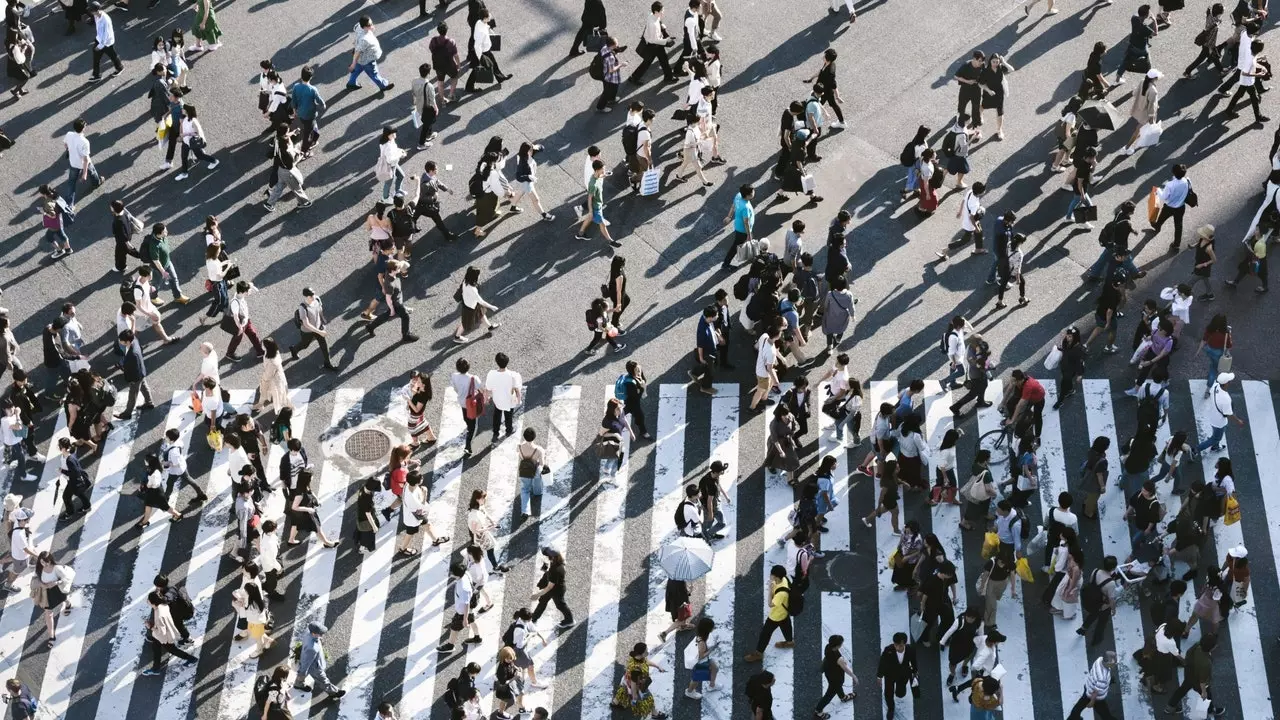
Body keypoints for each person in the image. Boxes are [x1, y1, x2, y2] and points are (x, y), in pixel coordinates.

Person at [1165, 635, 1225, 716]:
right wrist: (1203, 692)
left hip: (1189, 674)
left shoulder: (1197, 645)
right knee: (1207, 696)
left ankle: (1170, 706)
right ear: (1211, 648)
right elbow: (1202, 680)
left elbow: (1188, 654)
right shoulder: (1206, 663)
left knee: (1182, 689)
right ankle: (1210, 710)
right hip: (1197, 681)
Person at [743, 565, 792, 663]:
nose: (770, 576)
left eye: (772, 575)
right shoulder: (784, 580)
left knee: (765, 633)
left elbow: (770, 604)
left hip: (776, 616)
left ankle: (759, 653)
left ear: (777, 577)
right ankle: (789, 642)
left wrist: (770, 590)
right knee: (786, 626)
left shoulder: (781, 594)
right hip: (784, 612)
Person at [141, 591, 197, 675]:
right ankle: (155, 668)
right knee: (156, 647)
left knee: (172, 650)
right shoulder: (163, 605)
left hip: (165, 637)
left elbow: (162, 633)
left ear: (153, 602)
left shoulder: (159, 615)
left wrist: (150, 627)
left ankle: (192, 659)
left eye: (148, 599)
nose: (147, 601)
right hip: (168, 631)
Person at [628, 1, 676, 85]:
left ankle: (634, 77)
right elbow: (655, 40)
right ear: (656, 12)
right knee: (651, 61)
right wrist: (666, 40)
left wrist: (661, 25)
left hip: (654, 44)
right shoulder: (653, 25)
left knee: (660, 60)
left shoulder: (652, 15)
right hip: (654, 45)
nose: (663, 12)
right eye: (662, 10)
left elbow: (658, 22)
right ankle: (668, 77)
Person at [295, 622, 346, 698]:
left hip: (311, 662)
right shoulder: (312, 649)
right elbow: (307, 662)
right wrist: (302, 672)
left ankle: (298, 684)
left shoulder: (308, 636)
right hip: (315, 667)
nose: (322, 635)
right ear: (313, 633)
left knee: (304, 674)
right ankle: (334, 692)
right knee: (323, 680)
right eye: (320, 633)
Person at [1077, 555, 1119, 646]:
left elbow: (1092, 583)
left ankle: (1083, 628)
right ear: (1113, 568)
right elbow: (1111, 599)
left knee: (1093, 614)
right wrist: (1113, 609)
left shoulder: (1096, 571)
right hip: (1101, 604)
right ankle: (1096, 640)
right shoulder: (1111, 584)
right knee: (1101, 623)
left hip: (1091, 600)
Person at [577, 160, 620, 247]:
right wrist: (591, 211)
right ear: (596, 170)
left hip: (598, 204)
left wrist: (606, 174)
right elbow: (589, 198)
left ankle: (580, 234)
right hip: (596, 207)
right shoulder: (593, 184)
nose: (604, 170)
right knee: (602, 224)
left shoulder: (598, 176)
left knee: (589, 218)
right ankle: (610, 241)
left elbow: (600, 177)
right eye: (602, 169)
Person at [876, 632, 918, 720]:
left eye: (900, 645)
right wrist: (879, 676)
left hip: (903, 675)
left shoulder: (910, 650)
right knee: (888, 693)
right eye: (896, 645)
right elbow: (882, 663)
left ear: (905, 644)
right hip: (890, 675)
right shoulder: (888, 650)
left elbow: (913, 661)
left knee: (900, 693)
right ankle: (891, 709)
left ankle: (899, 692)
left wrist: (915, 671)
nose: (898, 647)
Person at [814, 634, 857, 718]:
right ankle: (818, 711)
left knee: (837, 687)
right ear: (837, 646)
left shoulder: (828, 647)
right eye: (841, 643)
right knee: (829, 695)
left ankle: (843, 697)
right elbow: (845, 669)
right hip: (836, 677)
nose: (841, 645)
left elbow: (826, 659)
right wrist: (854, 677)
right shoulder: (838, 658)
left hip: (829, 673)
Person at [530, 547, 574, 629]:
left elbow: (550, 587)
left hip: (556, 591)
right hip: (554, 587)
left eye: (547, 555)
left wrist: (537, 595)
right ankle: (534, 618)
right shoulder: (558, 562)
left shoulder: (555, 570)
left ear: (552, 557)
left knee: (560, 605)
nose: (546, 557)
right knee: (543, 601)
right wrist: (546, 570)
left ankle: (570, 620)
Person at [1120, 69, 1162, 155]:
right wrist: (1151, 119)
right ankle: (1126, 148)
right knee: (1138, 130)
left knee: (1140, 129)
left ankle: (1130, 145)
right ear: (1155, 78)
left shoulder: (1142, 81)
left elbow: (1135, 93)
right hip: (1146, 114)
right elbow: (1151, 106)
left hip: (1139, 110)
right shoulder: (1153, 90)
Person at [1151, 164, 1192, 251]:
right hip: (1181, 207)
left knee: (1161, 218)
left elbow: (1163, 197)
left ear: (1173, 172)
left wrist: (1158, 190)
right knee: (1178, 226)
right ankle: (1176, 244)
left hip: (1169, 207)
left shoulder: (1170, 185)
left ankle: (1157, 227)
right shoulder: (1187, 181)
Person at [347, 16, 393, 92]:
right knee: (373, 73)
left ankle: (351, 83)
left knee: (356, 70)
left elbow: (355, 29)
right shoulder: (365, 40)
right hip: (367, 59)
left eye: (371, 23)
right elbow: (358, 52)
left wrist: (356, 42)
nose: (372, 26)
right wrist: (353, 64)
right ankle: (383, 85)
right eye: (369, 25)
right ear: (364, 26)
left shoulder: (359, 26)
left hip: (361, 59)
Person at [1067, 652, 1118, 720]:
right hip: (1097, 698)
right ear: (1106, 662)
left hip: (1088, 686)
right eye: (1113, 663)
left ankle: (1074, 718)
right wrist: (1092, 702)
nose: (1115, 664)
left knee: (1079, 706)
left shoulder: (1099, 660)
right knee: (1106, 715)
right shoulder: (1102, 678)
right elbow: (1096, 691)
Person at [721, 184, 755, 270]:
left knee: (740, 243)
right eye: (752, 191)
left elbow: (733, 205)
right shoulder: (746, 207)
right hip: (743, 230)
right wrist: (749, 234)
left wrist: (729, 216)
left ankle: (752, 255)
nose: (754, 192)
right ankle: (726, 264)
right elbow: (746, 222)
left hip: (738, 227)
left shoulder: (738, 195)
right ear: (748, 195)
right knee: (735, 247)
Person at [87, 3, 123, 82]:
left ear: (94, 11)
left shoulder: (105, 21)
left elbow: (106, 36)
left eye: (90, 10)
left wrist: (99, 46)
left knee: (99, 57)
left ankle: (97, 76)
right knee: (112, 55)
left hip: (105, 43)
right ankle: (119, 68)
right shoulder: (97, 14)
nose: (90, 12)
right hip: (100, 40)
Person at [515, 428, 546, 520]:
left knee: (525, 489)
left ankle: (525, 511)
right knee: (537, 482)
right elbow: (541, 463)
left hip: (525, 470)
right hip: (535, 470)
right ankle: (537, 492)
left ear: (524, 436)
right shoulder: (539, 450)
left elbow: (521, 456)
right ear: (534, 437)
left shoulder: (519, 447)